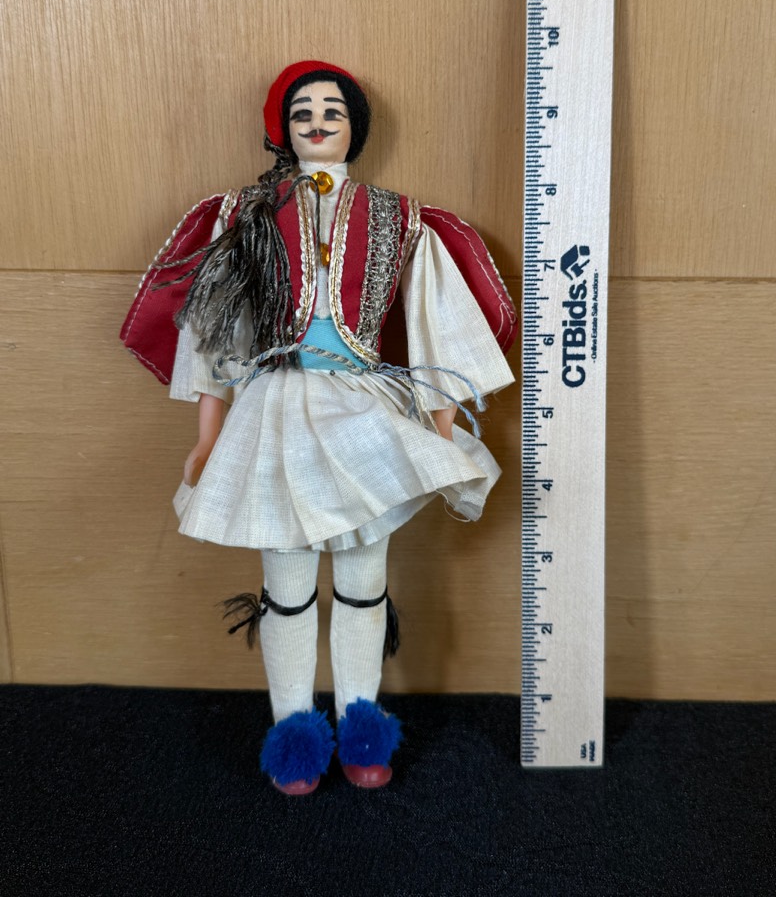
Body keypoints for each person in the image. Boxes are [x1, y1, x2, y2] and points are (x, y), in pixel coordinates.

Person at [121, 60, 517, 794]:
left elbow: (436, 325)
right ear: (283, 128)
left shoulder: (399, 219)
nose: (318, 123)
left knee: (365, 580)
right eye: (303, 112)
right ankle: (293, 733)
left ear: (354, 127)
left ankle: (364, 725)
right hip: (273, 408)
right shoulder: (246, 215)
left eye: (333, 111)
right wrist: (208, 436)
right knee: (288, 583)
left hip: (363, 407)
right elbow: (218, 329)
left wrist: (440, 429)